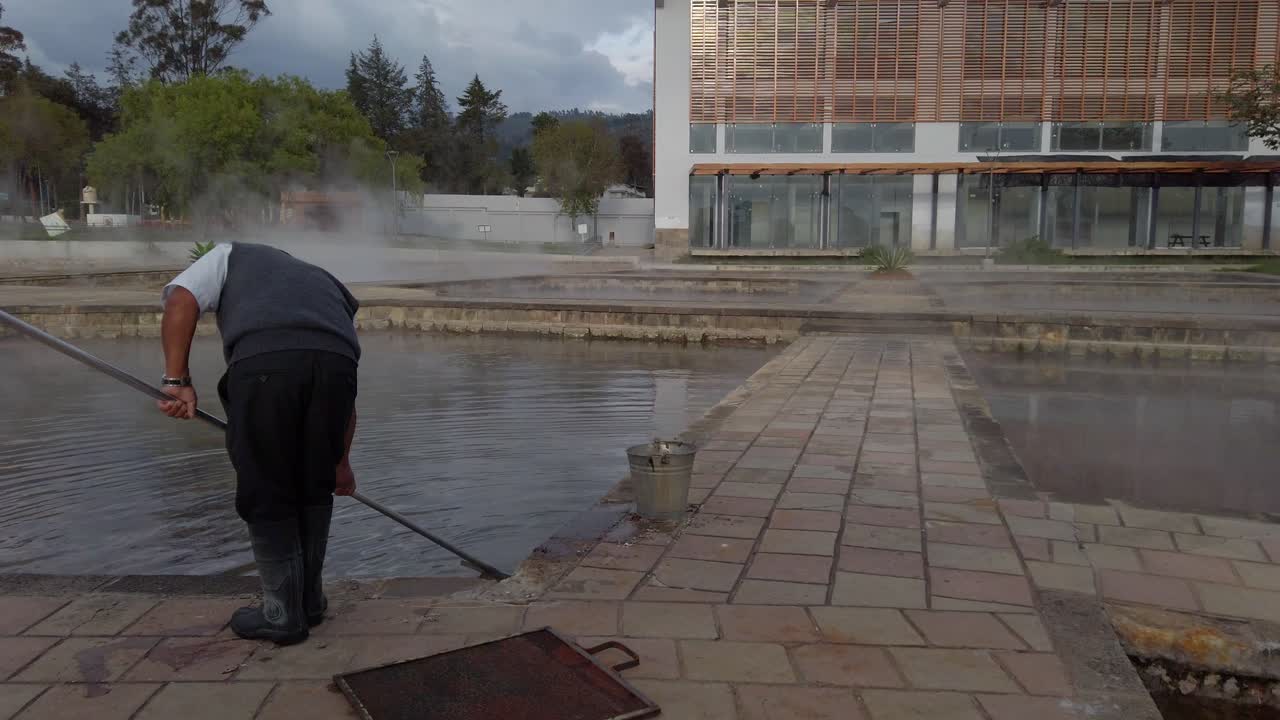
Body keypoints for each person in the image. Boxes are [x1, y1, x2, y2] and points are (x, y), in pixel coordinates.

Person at [156, 242, 360, 646]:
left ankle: (281, 615)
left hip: (267, 366)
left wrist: (176, 381)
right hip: (338, 369)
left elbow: (181, 300)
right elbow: (343, 383)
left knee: (265, 487)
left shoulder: (229, 254)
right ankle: (309, 602)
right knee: (314, 484)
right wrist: (340, 462)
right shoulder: (323, 279)